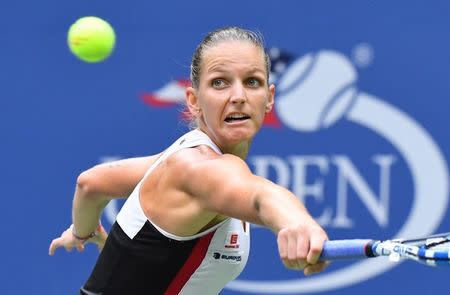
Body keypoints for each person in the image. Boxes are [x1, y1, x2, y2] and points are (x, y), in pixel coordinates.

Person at [49, 26, 329, 295]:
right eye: (219, 83)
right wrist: (297, 223)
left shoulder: (178, 160)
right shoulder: (194, 168)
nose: (239, 96)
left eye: (252, 82)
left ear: (269, 98)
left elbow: (92, 183)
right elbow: (261, 195)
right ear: (194, 100)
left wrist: (83, 231)